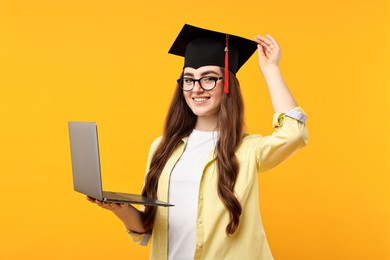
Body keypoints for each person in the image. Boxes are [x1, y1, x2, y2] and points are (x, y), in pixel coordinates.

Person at [87, 24, 308, 260]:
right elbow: (149, 229)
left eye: (209, 79)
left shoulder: (247, 149)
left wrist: (270, 69)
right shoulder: (162, 148)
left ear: (227, 85)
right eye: (189, 80)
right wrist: (121, 209)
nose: (196, 89)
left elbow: (294, 134)